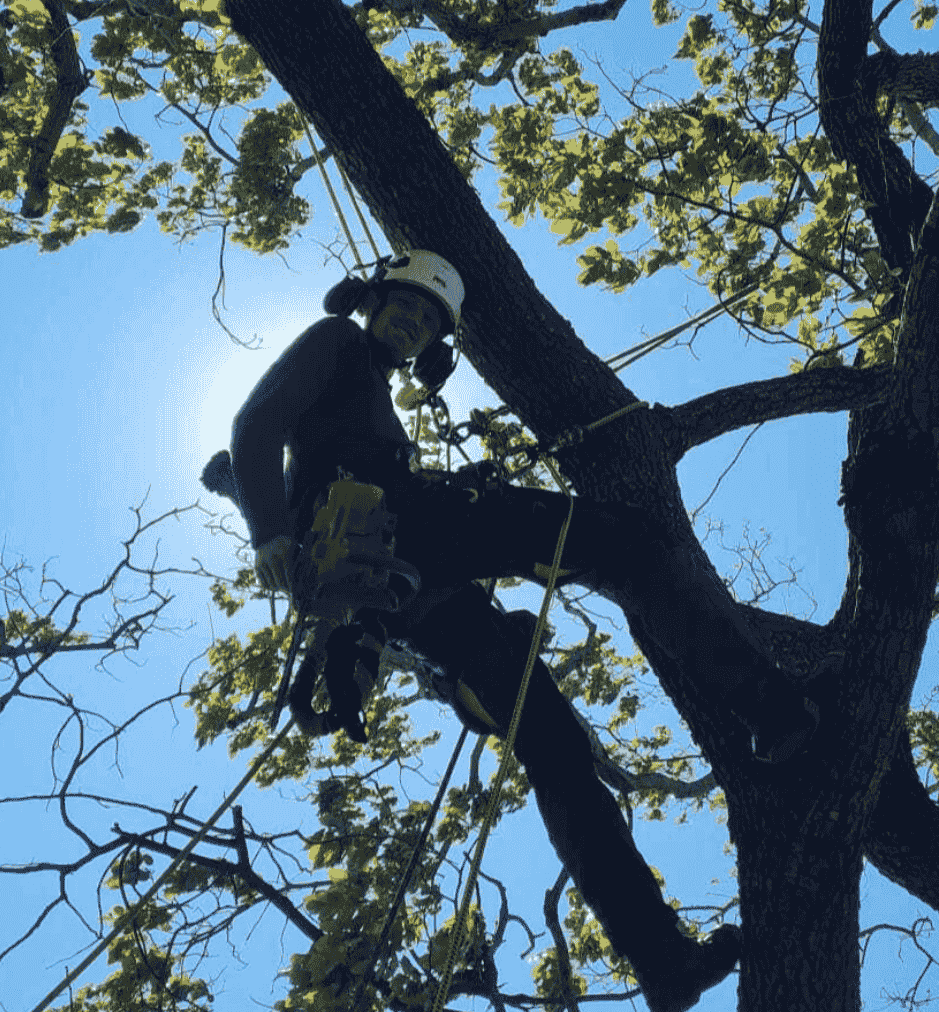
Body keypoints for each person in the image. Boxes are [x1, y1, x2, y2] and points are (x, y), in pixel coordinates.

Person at [220, 250, 741, 1012]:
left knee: (556, 745)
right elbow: (254, 424)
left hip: (429, 592)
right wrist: (269, 531)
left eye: (427, 321)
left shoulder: (385, 408)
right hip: (395, 542)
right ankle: (758, 698)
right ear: (373, 301)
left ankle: (660, 958)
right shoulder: (334, 346)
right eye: (404, 307)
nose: (411, 324)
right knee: (613, 536)